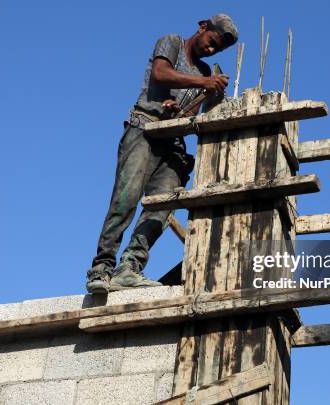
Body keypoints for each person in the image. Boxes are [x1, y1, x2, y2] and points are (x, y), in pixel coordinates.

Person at [86, 14, 239, 294]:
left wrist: (178, 109)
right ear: (202, 27)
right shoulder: (173, 43)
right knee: (126, 199)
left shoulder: (205, 72)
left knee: (163, 205)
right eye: (211, 42)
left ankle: (129, 267)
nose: (211, 50)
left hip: (172, 143)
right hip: (144, 128)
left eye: (218, 49)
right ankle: (102, 268)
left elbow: (188, 112)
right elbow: (160, 74)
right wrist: (202, 84)